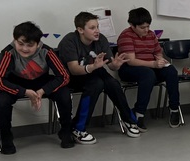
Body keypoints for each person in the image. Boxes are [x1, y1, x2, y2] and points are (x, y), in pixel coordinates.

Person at [57, 11, 142, 143]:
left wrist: (116, 64)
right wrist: (92, 67)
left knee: (113, 83)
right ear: (80, 30)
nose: (97, 31)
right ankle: (78, 128)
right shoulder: (69, 41)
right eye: (92, 28)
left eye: (97, 27)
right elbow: (73, 69)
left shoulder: (101, 39)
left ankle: (129, 120)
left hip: (94, 71)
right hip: (72, 77)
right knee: (96, 83)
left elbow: (111, 66)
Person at [0, 21, 75, 154]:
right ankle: (6, 137)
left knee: (64, 93)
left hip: (41, 82)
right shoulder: (8, 52)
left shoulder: (47, 51)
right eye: (20, 44)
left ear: (38, 43)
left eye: (30, 45)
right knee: (1, 101)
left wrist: (43, 91)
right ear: (14, 40)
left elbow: (64, 76)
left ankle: (65, 132)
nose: (24, 49)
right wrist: (24, 92)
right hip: (17, 83)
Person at [116, 7, 182, 129]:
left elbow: (158, 52)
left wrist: (160, 60)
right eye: (142, 28)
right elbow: (131, 61)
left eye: (148, 26)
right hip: (130, 69)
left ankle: (174, 109)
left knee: (171, 71)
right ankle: (139, 113)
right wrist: (153, 64)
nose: (146, 30)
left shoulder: (151, 35)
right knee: (148, 74)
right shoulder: (126, 35)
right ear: (132, 25)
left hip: (150, 68)